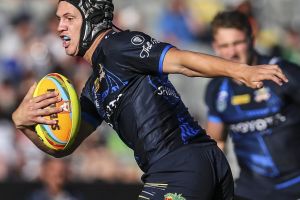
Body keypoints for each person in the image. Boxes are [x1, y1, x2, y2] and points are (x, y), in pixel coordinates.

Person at [11, 1, 288, 199]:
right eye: (59, 19)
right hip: (194, 165)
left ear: (92, 17)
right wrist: (23, 124)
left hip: (180, 166)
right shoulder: (93, 89)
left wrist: (242, 70)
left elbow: (182, 62)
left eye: (68, 18)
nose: (60, 27)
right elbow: (63, 147)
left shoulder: (118, 46)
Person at [205, 11, 300, 200]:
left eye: (237, 43)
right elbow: (217, 143)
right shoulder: (217, 89)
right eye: (224, 45)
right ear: (215, 47)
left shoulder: (285, 73)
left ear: (251, 39)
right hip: (252, 192)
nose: (232, 52)